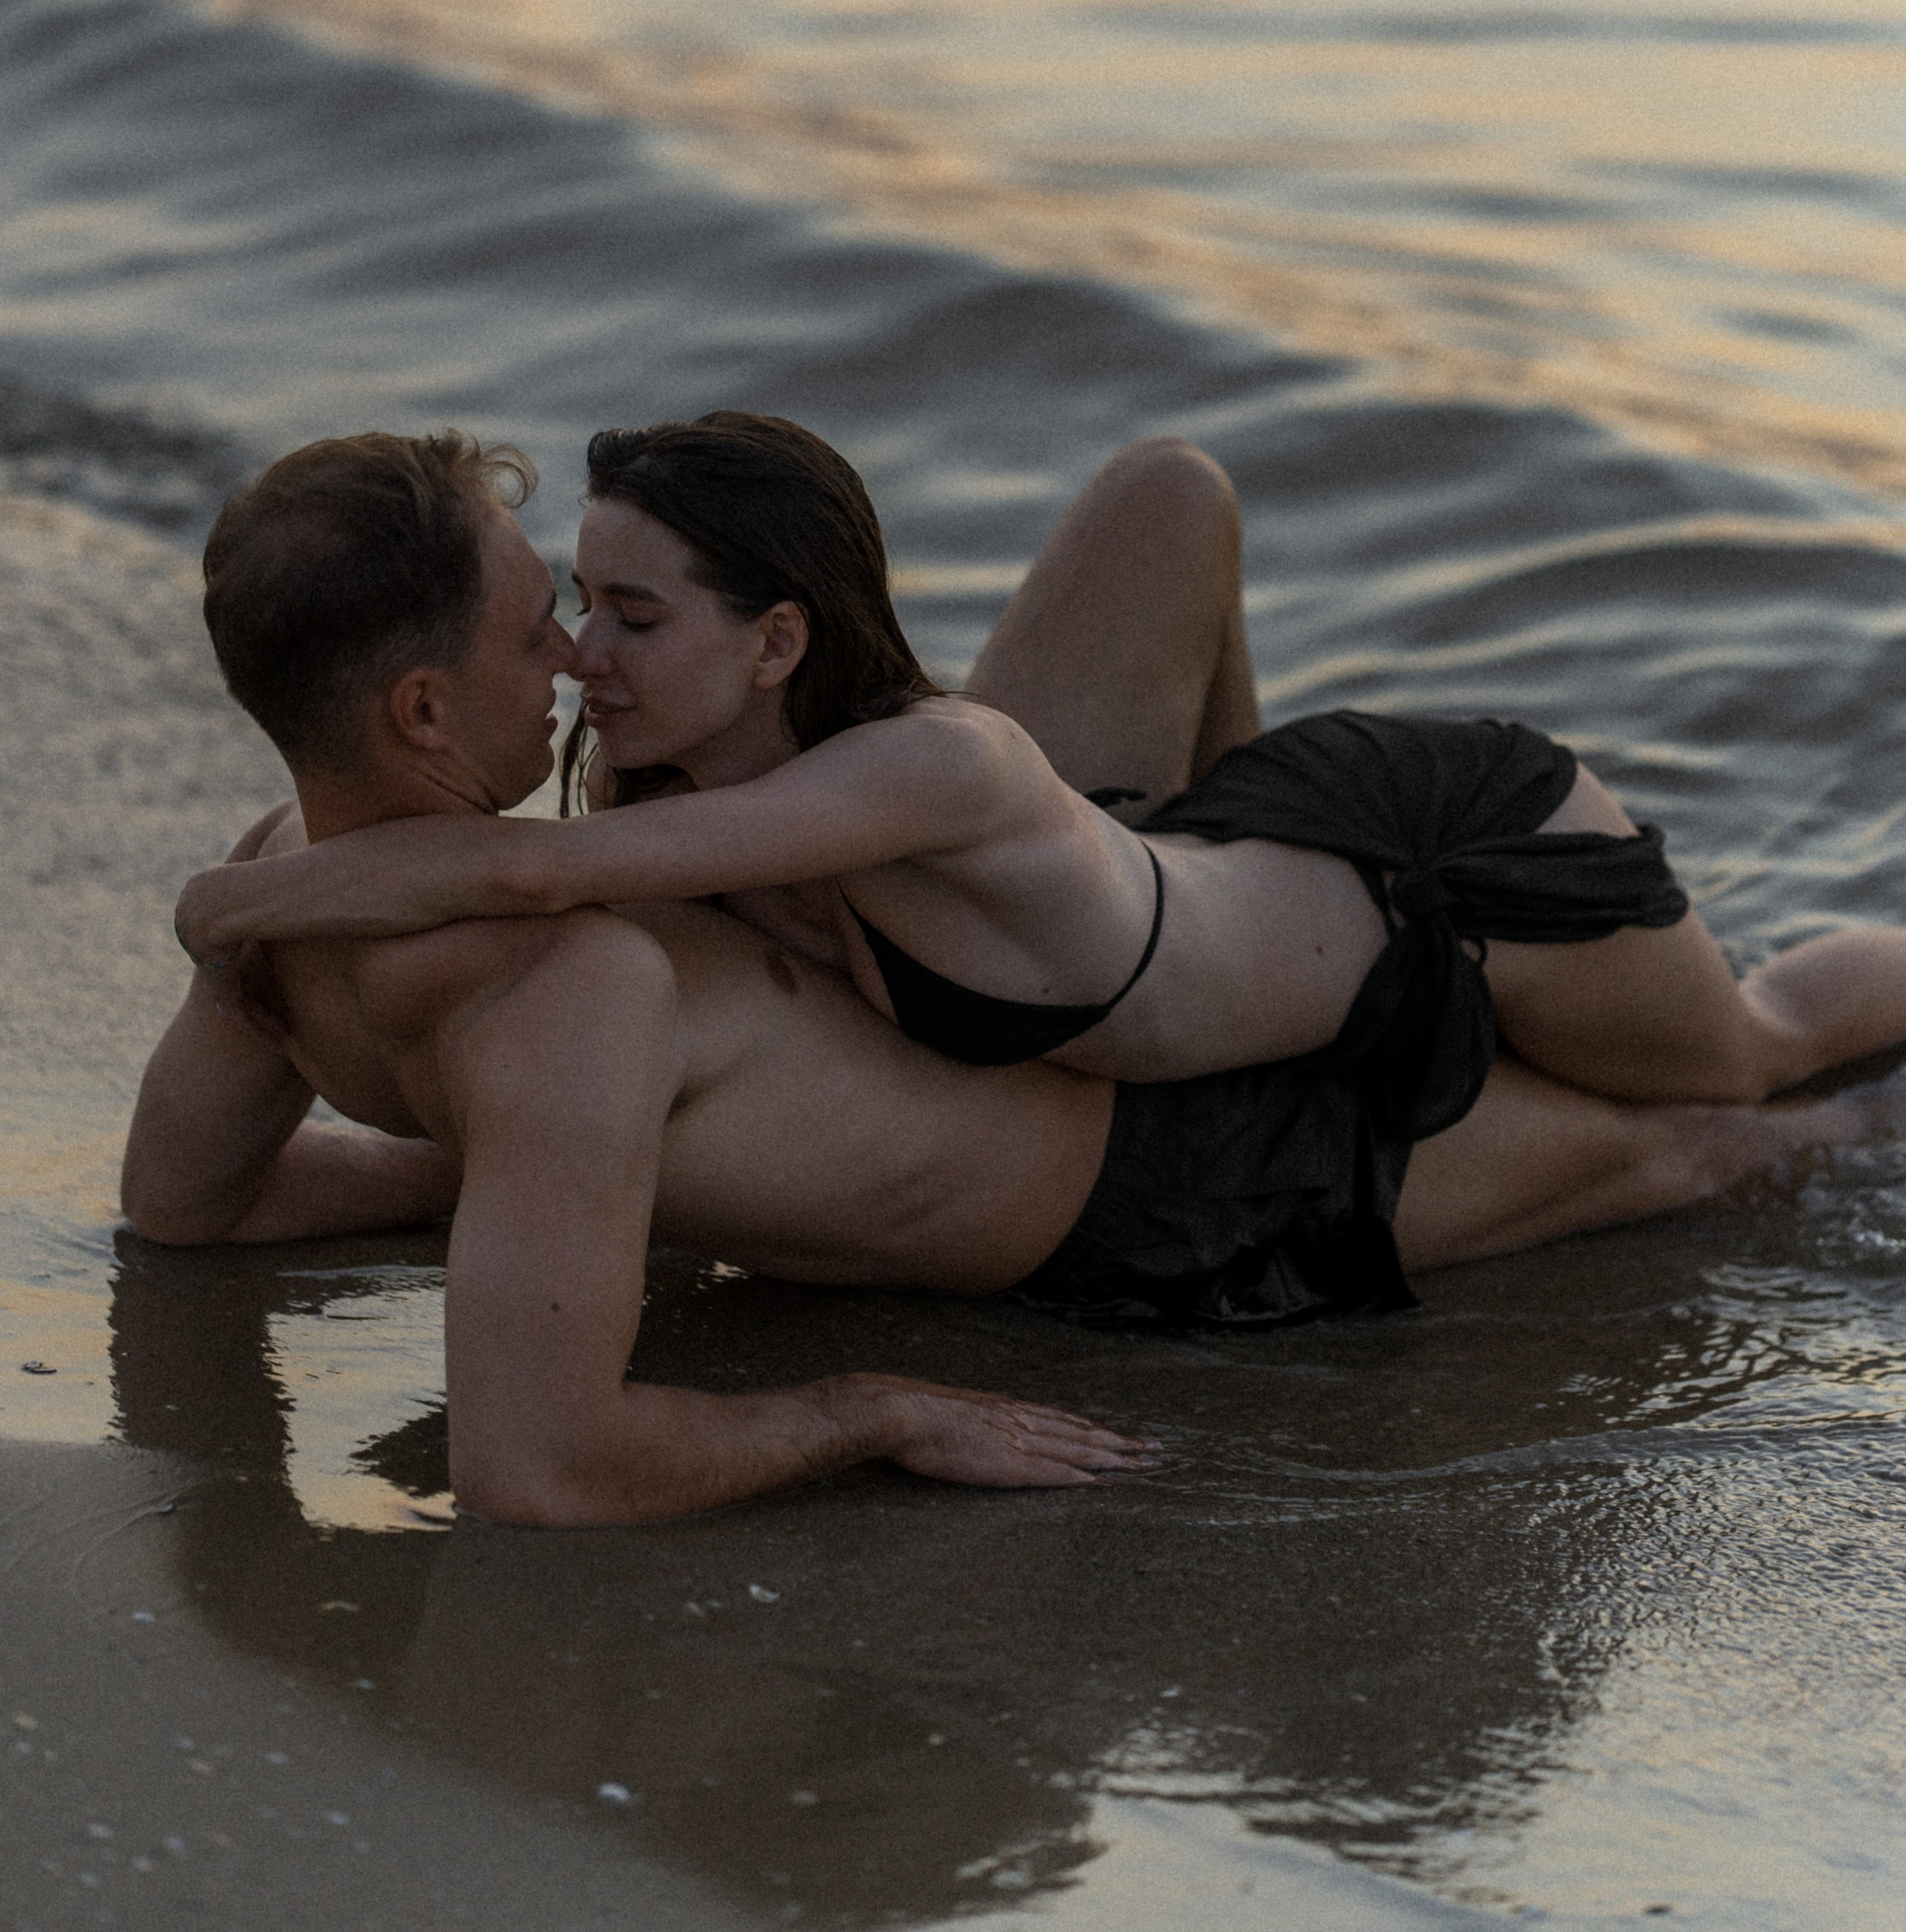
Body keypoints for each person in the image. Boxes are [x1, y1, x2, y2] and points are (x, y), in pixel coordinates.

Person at [128, 426, 1904, 1527]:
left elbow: (197, 1199)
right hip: (1190, 1182)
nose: (580, 663)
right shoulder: (538, 998)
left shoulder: (289, 897)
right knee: (1709, 1162)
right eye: (540, 631)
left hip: (1169, 978)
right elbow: (542, 1471)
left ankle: (1280, 887)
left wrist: (538, 1176)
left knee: (1723, 1100)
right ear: (422, 713)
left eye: (599, 619)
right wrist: (866, 1408)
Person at [180, 415, 1906, 1120]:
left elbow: (531, 877)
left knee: (1753, 1060)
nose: (575, 656)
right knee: (1168, 492)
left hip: (1459, 847)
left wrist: (234, 905)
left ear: (775, 644)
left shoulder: (911, 773)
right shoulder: (669, 784)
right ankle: (1240, 820)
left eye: (627, 616)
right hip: (1183, 857)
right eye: (573, 608)